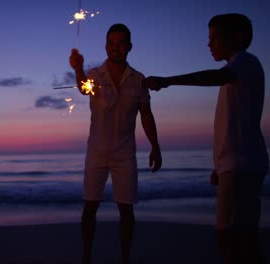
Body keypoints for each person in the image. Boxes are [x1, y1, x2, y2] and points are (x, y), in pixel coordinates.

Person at [142, 13, 268, 264]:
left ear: (237, 37)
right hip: (237, 166)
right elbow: (234, 126)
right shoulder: (241, 68)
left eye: (215, 38)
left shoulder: (244, 62)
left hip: (241, 167)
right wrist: (220, 168)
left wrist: (168, 81)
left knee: (228, 236)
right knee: (244, 236)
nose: (209, 45)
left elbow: (214, 77)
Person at [69, 23, 162, 264]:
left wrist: (155, 146)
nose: (115, 47)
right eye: (111, 42)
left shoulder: (138, 79)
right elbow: (82, 89)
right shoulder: (94, 75)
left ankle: (125, 258)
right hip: (96, 152)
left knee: (126, 210)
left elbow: (146, 115)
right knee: (90, 207)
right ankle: (86, 257)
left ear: (129, 47)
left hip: (125, 154)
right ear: (106, 45)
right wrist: (78, 69)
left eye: (120, 43)